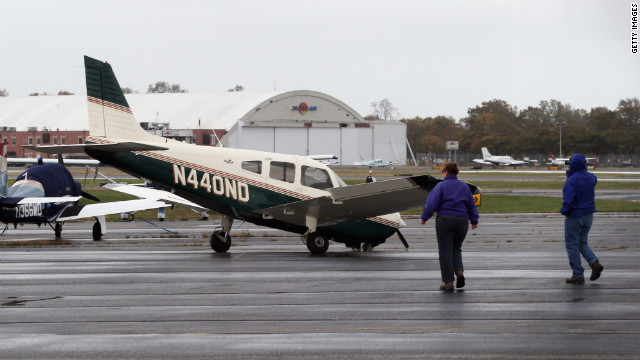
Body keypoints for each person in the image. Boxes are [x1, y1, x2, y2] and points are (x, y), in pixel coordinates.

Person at [420, 162, 479, 291]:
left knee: (445, 250)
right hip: (462, 220)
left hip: (445, 220)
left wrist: (425, 217)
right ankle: (459, 272)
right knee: (456, 248)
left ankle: (448, 282)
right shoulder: (464, 187)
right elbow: (471, 205)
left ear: (446, 172)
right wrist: (474, 220)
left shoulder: (441, 186)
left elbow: (431, 203)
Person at [561, 153, 603, 284]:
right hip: (588, 215)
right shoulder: (591, 177)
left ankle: (578, 274)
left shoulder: (572, 180)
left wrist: (564, 211)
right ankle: (594, 263)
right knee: (582, 242)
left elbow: (569, 200)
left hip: (575, 216)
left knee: (572, 245)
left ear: (573, 165)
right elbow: (593, 180)